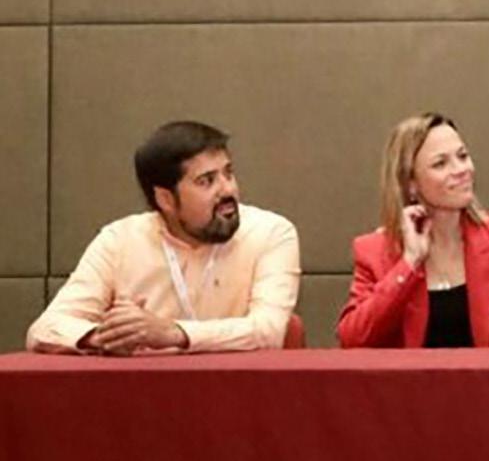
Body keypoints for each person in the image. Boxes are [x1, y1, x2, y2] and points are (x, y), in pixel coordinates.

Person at [27, 120, 301, 354]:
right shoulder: (119, 241)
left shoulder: (271, 233)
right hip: (141, 391)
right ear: (165, 199)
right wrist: (102, 337)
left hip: (237, 390)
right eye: (206, 181)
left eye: (228, 173)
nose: (228, 190)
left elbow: (268, 332)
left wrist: (174, 334)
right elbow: (44, 328)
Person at [338, 113, 489, 347]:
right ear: (411, 184)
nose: (461, 169)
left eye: (462, 156)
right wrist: (408, 264)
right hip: (409, 373)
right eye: (440, 164)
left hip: (488, 373)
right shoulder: (374, 250)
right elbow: (352, 340)